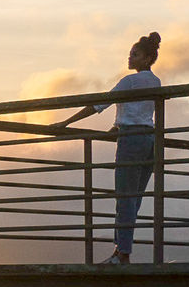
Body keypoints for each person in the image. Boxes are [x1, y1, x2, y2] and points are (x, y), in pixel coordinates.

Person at [51, 31, 162, 264]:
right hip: (150, 140)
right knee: (135, 198)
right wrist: (116, 125)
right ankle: (122, 252)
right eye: (130, 54)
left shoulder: (129, 81)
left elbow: (99, 104)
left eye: (135, 55)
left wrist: (66, 122)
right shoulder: (155, 81)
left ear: (147, 58)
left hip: (131, 140)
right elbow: (138, 110)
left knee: (124, 198)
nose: (130, 58)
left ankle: (122, 254)